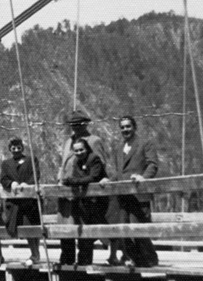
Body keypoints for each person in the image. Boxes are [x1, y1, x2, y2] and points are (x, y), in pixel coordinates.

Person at [56, 110, 112, 265]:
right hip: (67, 191)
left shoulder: (93, 141)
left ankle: (84, 262)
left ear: (86, 124)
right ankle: (66, 260)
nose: (76, 127)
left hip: (83, 192)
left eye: (79, 124)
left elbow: (99, 165)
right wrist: (60, 178)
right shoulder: (68, 142)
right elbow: (63, 163)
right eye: (73, 124)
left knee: (84, 228)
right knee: (65, 228)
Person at [108, 115, 159, 267]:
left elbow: (152, 165)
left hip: (139, 194)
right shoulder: (119, 148)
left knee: (139, 229)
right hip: (123, 196)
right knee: (124, 230)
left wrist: (143, 178)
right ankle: (135, 259)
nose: (125, 130)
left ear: (134, 127)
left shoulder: (145, 143)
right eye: (122, 127)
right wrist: (108, 180)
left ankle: (151, 259)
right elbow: (119, 172)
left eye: (128, 126)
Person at [0, 137, 42, 267]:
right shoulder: (6, 163)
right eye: (13, 148)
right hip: (15, 202)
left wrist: (26, 184)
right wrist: (11, 183)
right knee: (22, 228)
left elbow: (36, 175)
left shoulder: (31, 160)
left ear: (22, 148)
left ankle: (35, 254)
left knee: (32, 226)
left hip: (29, 200)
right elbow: (3, 179)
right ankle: (34, 254)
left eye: (18, 147)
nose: (16, 150)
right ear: (10, 149)